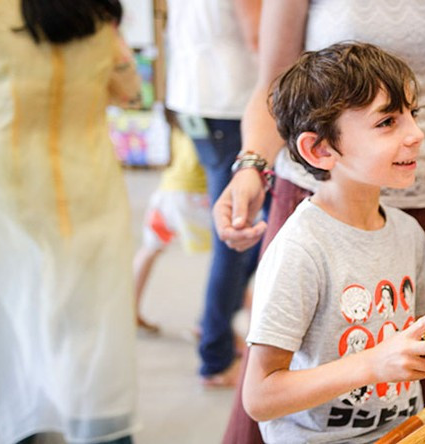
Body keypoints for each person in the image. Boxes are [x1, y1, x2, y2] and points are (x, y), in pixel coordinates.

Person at [218, 1, 425, 441]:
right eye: (387, 121)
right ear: (320, 149)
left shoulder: (407, 234)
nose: (417, 134)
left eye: (413, 114)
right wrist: (374, 363)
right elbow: (262, 395)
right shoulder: (301, 249)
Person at [0, 0, 140, 443]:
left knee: (15, 329)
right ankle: (101, 431)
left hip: (9, 193)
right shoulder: (96, 18)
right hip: (89, 192)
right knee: (94, 330)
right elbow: (130, 90)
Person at [165, 0, 265, 386]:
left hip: (195, 100)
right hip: (229, 102)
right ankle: (216, 354)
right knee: (238, 227)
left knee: (244, 225)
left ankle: (212, 324)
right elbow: (259, 37)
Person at [133, 125, 211, 333]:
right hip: (195, 196)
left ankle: (130, 310)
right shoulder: (203, 115)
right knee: (229, 260)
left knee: (150, 249)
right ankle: (211, 324)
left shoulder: (175, 117)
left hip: (166, 192)